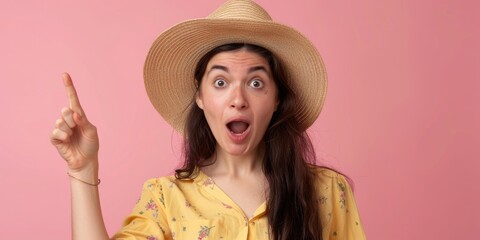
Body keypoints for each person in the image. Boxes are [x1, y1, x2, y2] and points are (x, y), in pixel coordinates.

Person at [50, 0, 366, 239]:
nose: (238, 99)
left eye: (256, 83)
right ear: (200, 97)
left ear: (276, 99)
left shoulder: (326, 191)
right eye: (220, 82)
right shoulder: (165, 198)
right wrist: (83, 169)